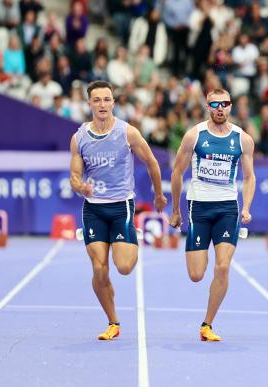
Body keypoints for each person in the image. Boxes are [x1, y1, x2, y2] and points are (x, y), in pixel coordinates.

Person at [69, 80, 167, 340]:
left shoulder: (127, 133)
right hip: (94, 210)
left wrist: (158, 195)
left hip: (122, 207)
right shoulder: (79, 138)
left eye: (106, 99)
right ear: (89, 104)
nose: (102, 104)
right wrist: (82, 188)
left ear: (113, 102)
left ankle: (129, 238)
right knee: (100, 269)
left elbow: (152, 162)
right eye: (97, 100)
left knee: (123, 267)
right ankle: (113, 322)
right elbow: (74, 177)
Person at [169, 88, 256, 342]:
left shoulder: (243, 139)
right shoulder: (194, 135)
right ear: (208, 106)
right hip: (199, 206)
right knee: (196, 274)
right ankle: (202, 254)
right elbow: (177, 172)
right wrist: (175, 209)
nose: (220, 108)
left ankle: (207, 324)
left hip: (228, 207)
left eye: (225, 104)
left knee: (223, 266)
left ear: (230, 106)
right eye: (215, 104)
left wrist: (247, 206)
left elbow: (250, 177)